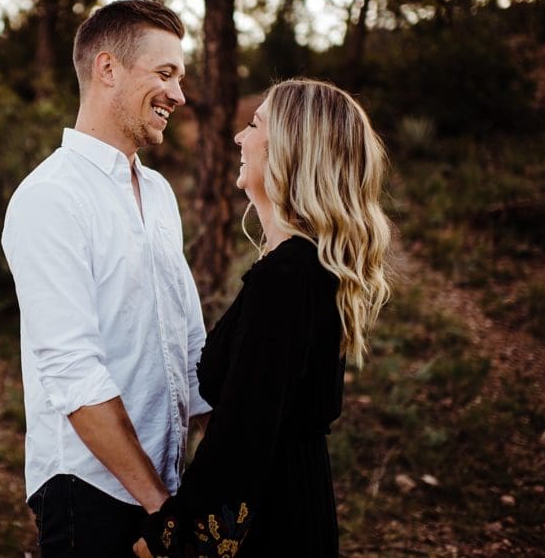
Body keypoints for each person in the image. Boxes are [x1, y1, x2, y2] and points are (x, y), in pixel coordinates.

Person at [133, 78, 392, 558]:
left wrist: (164, 540)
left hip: (273, 526)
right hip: (293, 505)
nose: (238, 138)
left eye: (254, 124)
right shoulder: (308, 268)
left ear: (289, 152)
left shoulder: (289, 277)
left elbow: (241, 440)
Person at [1, 0, 212, 556]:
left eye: (181, 78)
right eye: (164, 74)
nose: (179, 94)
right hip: (88, 497)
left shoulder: (161, 193)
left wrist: (206, 485)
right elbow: (73, 372)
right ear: (107, 68)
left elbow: (191, 344)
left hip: (167, 491)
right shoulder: (50, 197)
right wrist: (159, 507)